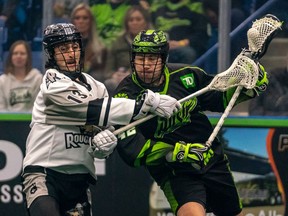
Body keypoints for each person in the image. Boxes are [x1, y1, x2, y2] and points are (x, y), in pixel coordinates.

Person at [21, 23, 180, 216]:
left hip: (80, 179)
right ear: (51, 54)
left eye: (74, 47)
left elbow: (101, 138)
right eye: (63, 49)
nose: (71, 54)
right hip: (45, 173)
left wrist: (104, 145)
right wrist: (143, 105)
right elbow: (92, 110)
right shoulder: (52, 83)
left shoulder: (97, 87)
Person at [106, 30, 268, 215]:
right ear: (132, 59)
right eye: (140, 58)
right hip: (174, 170)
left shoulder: (187, 75)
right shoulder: (124, 95)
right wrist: (177, 153)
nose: (146, 65)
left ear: (164, 58)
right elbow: (133, 152)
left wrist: (247, 90)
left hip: (209, 158)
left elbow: (220, 99)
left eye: (152, 58)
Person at [104, 5, 152, 93]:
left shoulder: (153, 42)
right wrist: (114, 75)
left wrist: (130, 75)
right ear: (127, 23)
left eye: (138, 19)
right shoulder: (117, 42)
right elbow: (108, 69)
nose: (134, 23)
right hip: (119, 80)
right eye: (131, 20)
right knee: (109, 83)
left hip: (144, 79)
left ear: (146, 22)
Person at [0, 40, 42, 112]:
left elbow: (39, 106)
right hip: (7, 121)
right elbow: (1, 107)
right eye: (15, 53)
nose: (18, 56)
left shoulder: (37, 78)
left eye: (22, 53)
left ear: (28, 57)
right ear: (11, 57)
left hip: (32, 121)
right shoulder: (2, 80)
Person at [71, 3, 108, 82]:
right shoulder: (63, 48)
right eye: (77, 18)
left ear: (91, 21)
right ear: (72, 21)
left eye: (85, 18)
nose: (81, 21)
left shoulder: (100, 48)